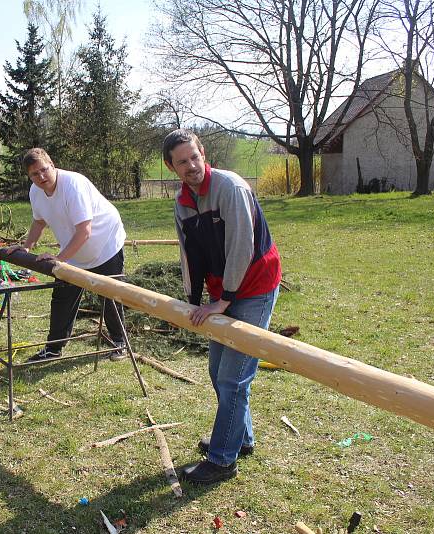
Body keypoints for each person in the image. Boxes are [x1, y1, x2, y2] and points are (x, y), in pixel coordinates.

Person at [164, 129, 281, 485]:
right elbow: (189, 255)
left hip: (254, 287)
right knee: (219, 373)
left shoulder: (230, 187)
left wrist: (224, 300)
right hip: (222, 294)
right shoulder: (183, 203)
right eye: (182, 162)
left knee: (233, 378)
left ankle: (222, 460)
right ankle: (240, 438)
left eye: (194, 157)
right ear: (172, 167)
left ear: (203, 153)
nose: (191, 166)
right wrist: (193, 302)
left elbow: (242, 246)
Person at [7, 148, 128, 362]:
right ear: (29, 176)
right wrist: (26, 248)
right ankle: (53, 348)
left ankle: (120, 342)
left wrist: (59, 260)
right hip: (73, 248)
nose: (41, 177)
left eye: (44, 170)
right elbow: (39, 221)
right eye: (35, 174)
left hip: (105, 242)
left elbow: (85, 231)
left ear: (52, 164)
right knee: (63, 295)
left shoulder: (73, 185)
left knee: (109, 293)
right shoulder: (35, 192)